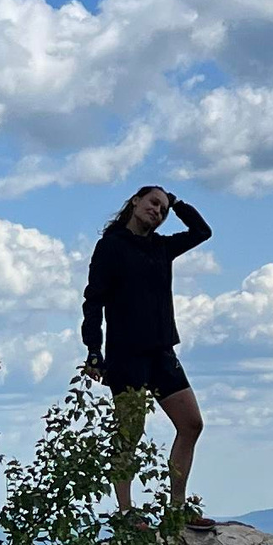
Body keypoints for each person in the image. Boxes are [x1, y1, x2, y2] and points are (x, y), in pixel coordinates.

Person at [81, 185, 212, 520]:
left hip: (161, 351)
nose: (158, 210)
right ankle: (126, 512)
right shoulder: (111, 246)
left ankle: (177, 509)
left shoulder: (161, 247)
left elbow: (202, 231)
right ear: (136, 201)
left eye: (164, 209)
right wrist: (93, 350)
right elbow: (94, 300)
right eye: (154, 202)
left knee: (191, 424)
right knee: (129, 433)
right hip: (126, 354)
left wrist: (177, 202)